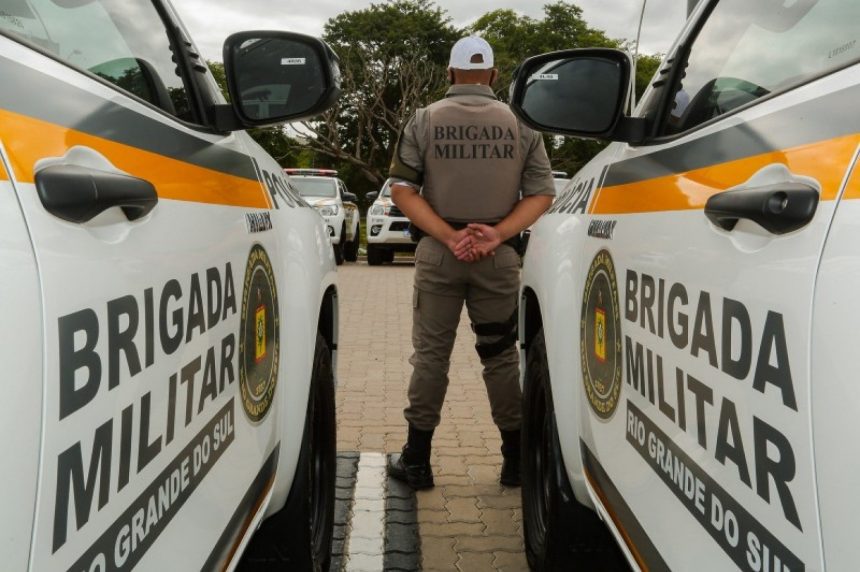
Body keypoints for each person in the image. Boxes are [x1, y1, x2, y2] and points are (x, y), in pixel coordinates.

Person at [386, 35, 555, 490]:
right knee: (500, 358)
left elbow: (402, 189)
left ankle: (417, 460)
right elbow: (542, 193)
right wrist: (497, 234)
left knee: (430, 359)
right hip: (497, 257)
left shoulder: (424, 120)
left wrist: (449, 235)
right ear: (494, 76)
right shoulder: (523, 125)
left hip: (441, 254)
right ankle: (515, 461)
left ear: (450, 74)